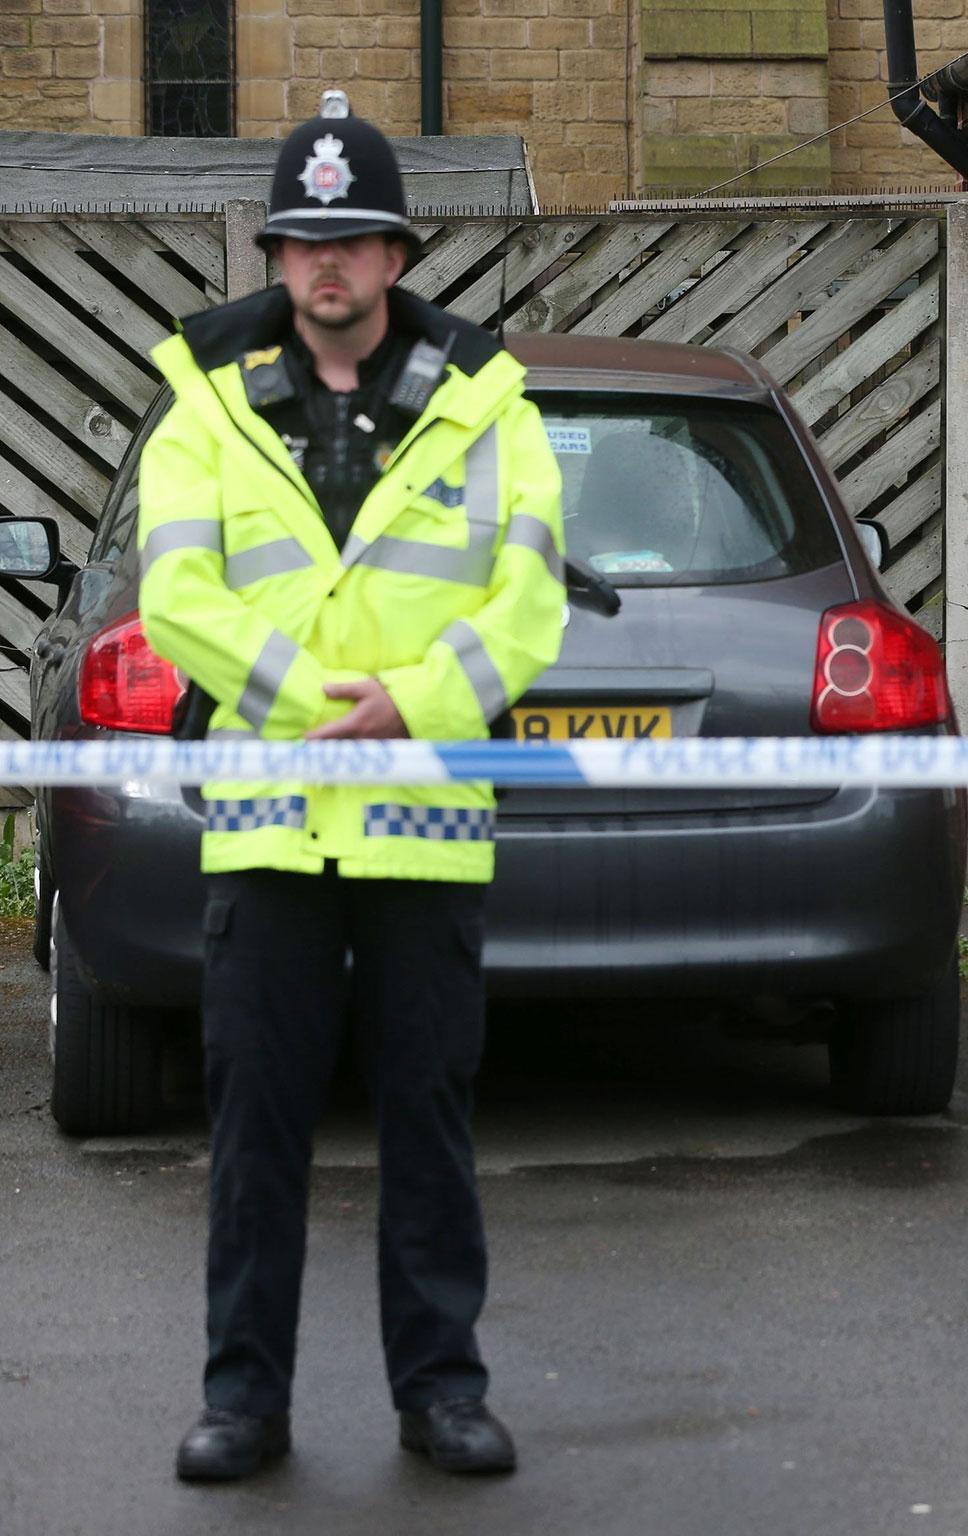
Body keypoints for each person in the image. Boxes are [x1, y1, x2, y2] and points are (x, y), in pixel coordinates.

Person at [137, 91, 566, 1481]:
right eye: (305, 242)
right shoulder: (204, 404)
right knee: (256, 1128)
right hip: (266, 819)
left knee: (429, 1128)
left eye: (356, 241)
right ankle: (242, 1405)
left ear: (395, 255)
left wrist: (415, 705)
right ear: (275, 256)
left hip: (422, 821)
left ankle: (442, 1392)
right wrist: (295, 700)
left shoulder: (486, 403)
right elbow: (175, 593)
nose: (329, 265)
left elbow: (531, 599)